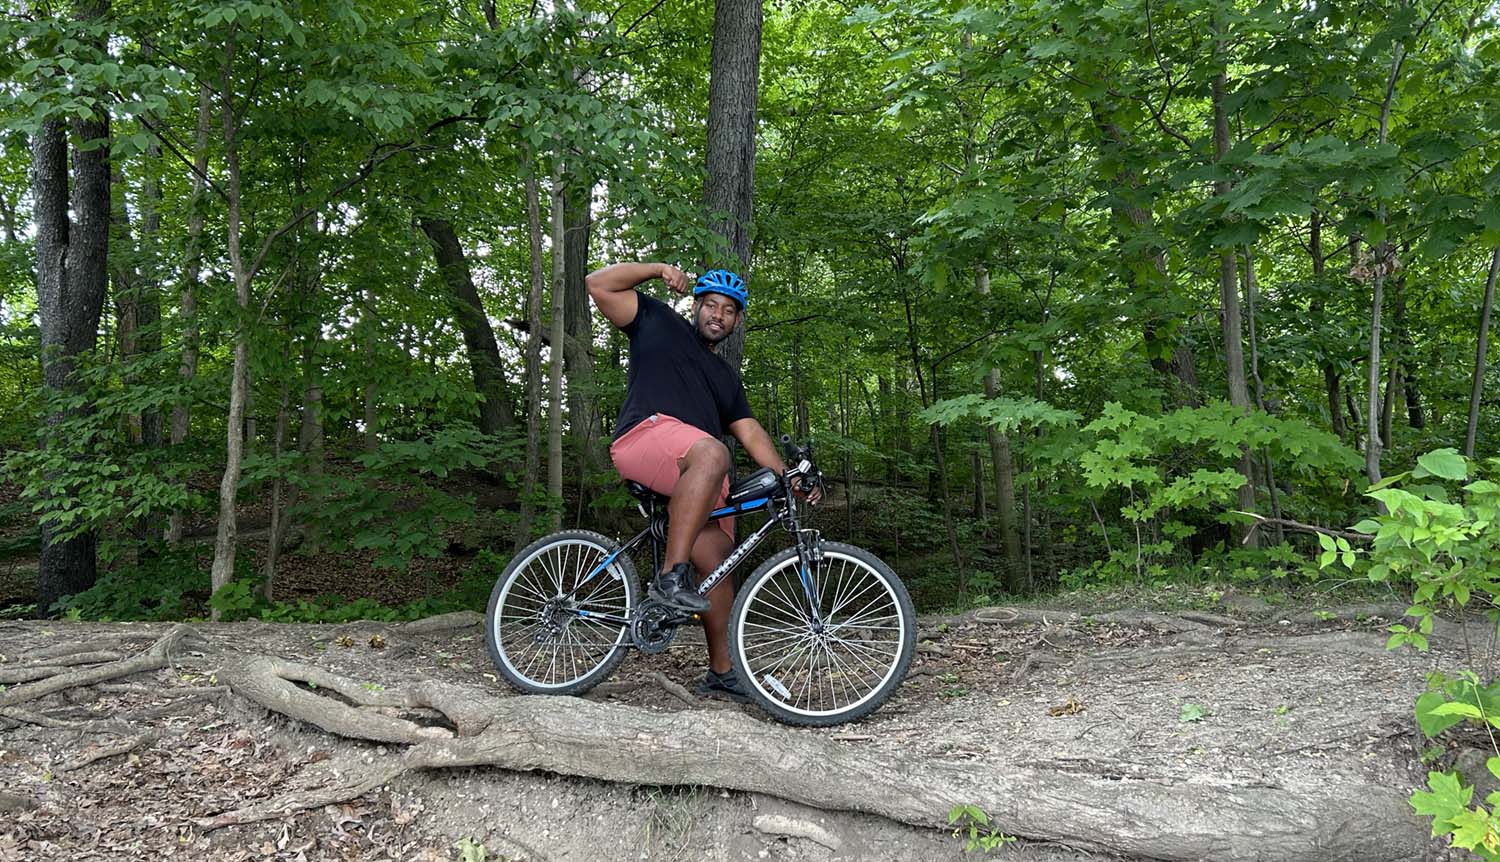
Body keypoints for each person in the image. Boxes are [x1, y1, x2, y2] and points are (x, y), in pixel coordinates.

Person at [585, 262, 818, 702]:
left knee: (719, 561)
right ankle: (671, 577)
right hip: (646, 437)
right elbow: (597, 283)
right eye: (711, 304)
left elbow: (749, 431)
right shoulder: (656, 321)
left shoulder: (726, 378)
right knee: (714, 451)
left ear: (737, 320)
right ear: (696, 307)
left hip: (698, 474)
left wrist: (789, 478)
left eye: (729, 310)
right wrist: (655, 270)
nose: (718, 314)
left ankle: (722, 673)